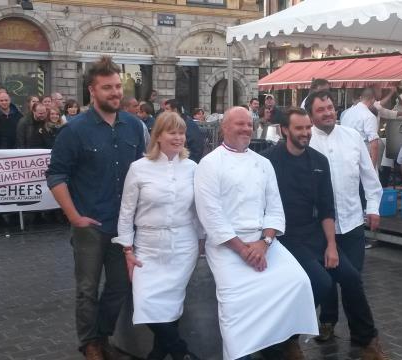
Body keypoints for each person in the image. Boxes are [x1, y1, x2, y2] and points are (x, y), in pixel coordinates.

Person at [262, 108, 387, 360]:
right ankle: (286, 340)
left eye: (308, 128)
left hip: (314, 234)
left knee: (351, 277)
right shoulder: (267, 161)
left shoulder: (319, 161)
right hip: (284, 237)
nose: (306, 133)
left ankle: (367, 341)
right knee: (321, 282)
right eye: (299, 128)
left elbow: (327, 207)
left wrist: (331, 245)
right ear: (285, 130)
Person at [194, 107, 318, 360]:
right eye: (239, 124)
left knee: (298, 282)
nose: (246, 129)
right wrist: (243, 249)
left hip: (264, 243)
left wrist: (265, 242)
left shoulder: (263, 163)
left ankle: (280, 342)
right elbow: (211, 216)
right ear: (224, 128)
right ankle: (241, 353)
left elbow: (274, 208)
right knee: (236, 307)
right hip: (227, 247)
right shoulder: (209, 164)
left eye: (249, 124)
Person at [46, 56, 145, 360]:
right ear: (92, 90)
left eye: (118, 86)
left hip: (124, 226)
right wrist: (74, 217)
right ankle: (90, 345)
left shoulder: (134, 126)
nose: (115, 92)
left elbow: (147, 168)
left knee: (119, 287)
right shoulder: (74, 130)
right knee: (87, 290)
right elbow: (56, 175)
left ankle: (101, 336)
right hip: (90, 225)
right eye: (107, 88)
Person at [113, 112, 202, 360]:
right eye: (172, 132)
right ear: (158, 136)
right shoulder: (139, 168)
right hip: (148, 247)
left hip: (183, 246)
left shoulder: (193, 168)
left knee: (172, 307)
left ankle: (161, 353)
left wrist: (203, 241)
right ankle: (180, 350)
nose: (178, 137)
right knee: (147, 303)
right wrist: (127, 249)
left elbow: (199, 210)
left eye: (181, 132)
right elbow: (126, 212)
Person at [305, 91, 382, 347]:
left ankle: (359, 333)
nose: (327, 112)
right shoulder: (306, 142)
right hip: (318, 227)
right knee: (326, 279)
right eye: (321, 109)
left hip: (351, 222)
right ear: (311, 115)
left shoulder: (352, 137)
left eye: (330, 107)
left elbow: (369, 176)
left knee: (352, 280)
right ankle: (326, 322)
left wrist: (373, 207)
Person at [340, 88, 380, 167]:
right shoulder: (369, 116)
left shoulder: (347, 113)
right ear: (373, 100)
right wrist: (373, 167)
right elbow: (374, 145)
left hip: (345, 156)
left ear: (361, 98)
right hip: (362, 157)